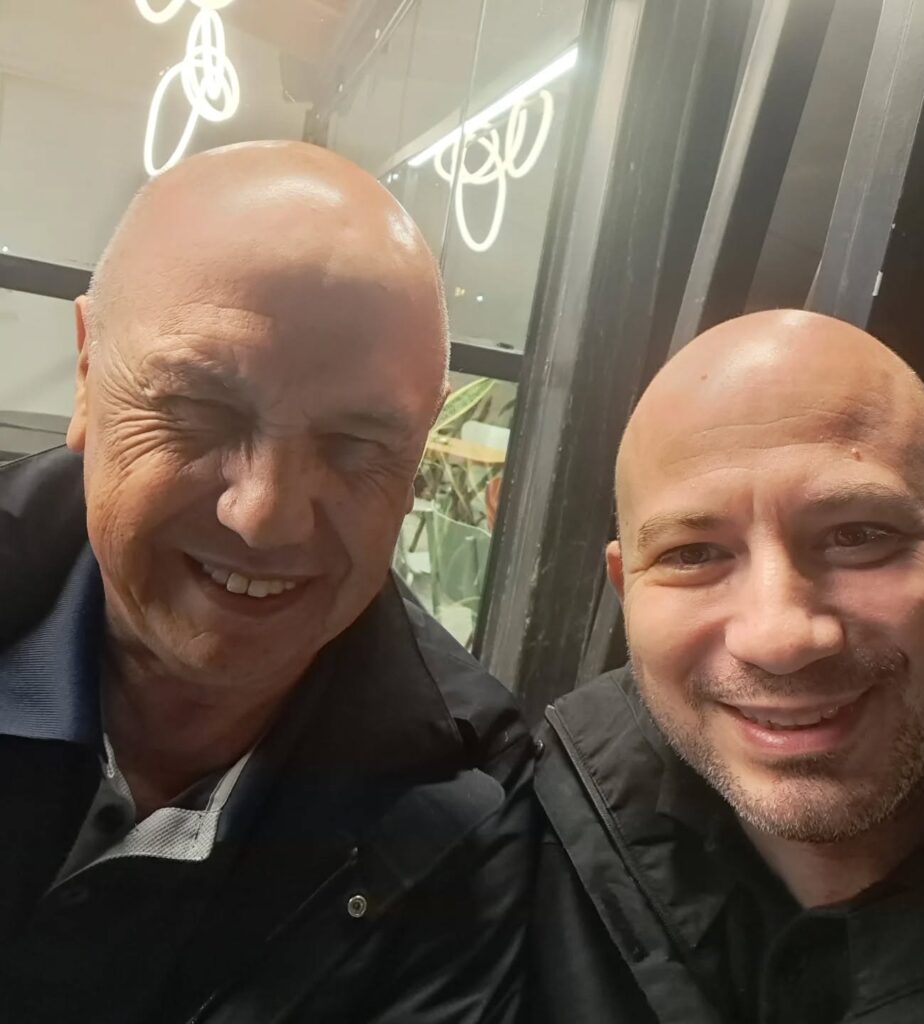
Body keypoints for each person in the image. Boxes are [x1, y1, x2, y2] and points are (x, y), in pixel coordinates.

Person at [0, 141, 535, 1023]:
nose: (266, 516)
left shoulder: (471, 800)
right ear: (89, 373)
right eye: (198, 410)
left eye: (357, 443)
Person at [530, 309, 924, 1023]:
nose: (781, 638)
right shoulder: (538, 824)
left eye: (858, 535)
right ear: (626, 589)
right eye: (692, 554)